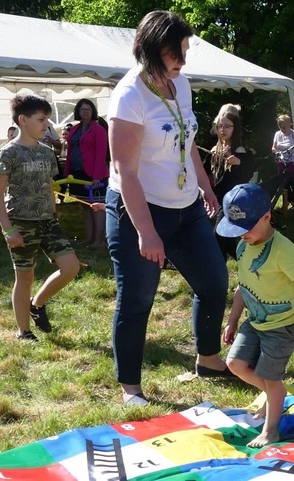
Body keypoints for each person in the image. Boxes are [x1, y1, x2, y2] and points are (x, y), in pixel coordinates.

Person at [105, 10, 232, 406]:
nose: (183, 59)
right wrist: (146, 232)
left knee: (214, 282)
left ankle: (208, 359)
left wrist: (205, 186)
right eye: (176, 51)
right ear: (153, 49)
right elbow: (124, 170)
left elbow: (188, 140)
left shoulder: (182, 84)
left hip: (187, 206)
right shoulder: (129, 95)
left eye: (184, 50)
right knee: (138, 298)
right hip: (138, 211)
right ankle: (131, 389)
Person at [218, 183, 294, 448]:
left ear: (267, 217)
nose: (241, 235)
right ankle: (274, 394)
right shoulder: (242, 247)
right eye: (236, 229)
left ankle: (270, 430)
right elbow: (242, 286)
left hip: (282, 326)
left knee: (272, 378)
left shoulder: (282, 250)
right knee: (235, 364)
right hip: (255, 322)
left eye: (246, 228)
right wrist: (232, 320)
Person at [0, 94, 81, 341]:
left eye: (47, 120)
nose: (46, 125)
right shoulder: (9, 153)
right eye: (41, 119)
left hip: (48, 221)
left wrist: (54, 214)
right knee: (25, 276)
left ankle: (37, 304)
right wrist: (8, 230)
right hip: (20, 222)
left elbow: (49, 186)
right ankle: (24, 332)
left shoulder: (46, 152)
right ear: (22, 120)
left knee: (71, 267)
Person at [208, 108, 254, 260]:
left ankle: (223, 270)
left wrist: (238, 162)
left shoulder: (238, 149)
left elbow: (248, 172)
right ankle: (245, 263)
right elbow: (206, 172)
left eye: (227, 126)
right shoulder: (216, 149)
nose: (223, 129)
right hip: (222, 200)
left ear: (235, 128)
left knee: (219, 235)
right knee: (225, 238)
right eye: (220, 126)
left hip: (235, 201)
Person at [64, 99, 109, 247]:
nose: (85, 112)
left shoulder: (99, 130)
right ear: (78, 111)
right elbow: (70, 150)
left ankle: (99, 240)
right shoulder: (75, 129)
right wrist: (66, 172)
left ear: (93, 111)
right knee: (85, 206)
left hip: (95, 175)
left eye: (88, 109)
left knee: (97, 207)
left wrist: (96, 176)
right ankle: (89, 238)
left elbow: (101, 154)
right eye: (83, 109)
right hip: (77, 173)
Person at [271, 114, 294, 214]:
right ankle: (289, 204)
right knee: (283, 184)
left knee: (290, 182)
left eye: (284, 127)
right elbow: (274, 147)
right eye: (280, 126)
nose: (282, 129)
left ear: (289, 124)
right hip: (282, 162)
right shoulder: (277, 134)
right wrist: (276, 152)